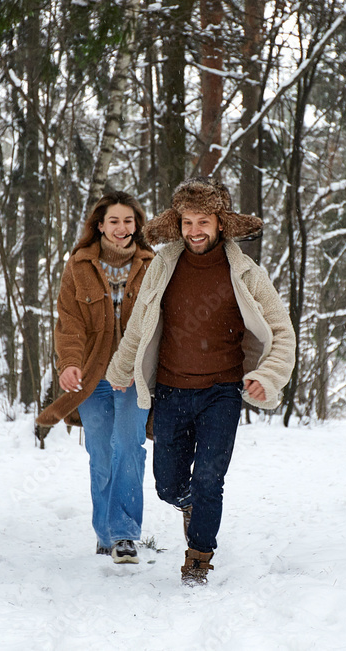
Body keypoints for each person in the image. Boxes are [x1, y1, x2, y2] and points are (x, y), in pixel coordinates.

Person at [106, 177, 296, 585]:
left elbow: (281, 330)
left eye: (204, 221)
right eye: (188, 222)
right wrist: (121, 372)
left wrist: (266, 376)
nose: (195, 231)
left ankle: (199, 558)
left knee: (211, 478)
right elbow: (140, 324)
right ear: (178, 224)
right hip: (172, 391)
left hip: (222, 393)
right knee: (168, 485)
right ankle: (189, 504)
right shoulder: (164, 264)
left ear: (221, 223)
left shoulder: (246, 272)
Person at [35, 191, 154, 564]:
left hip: (134, 375)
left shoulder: (152, 265)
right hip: (92, 379)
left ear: (137, 226)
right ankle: (105, 533)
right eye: (114, 221)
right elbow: (68, 323)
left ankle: (124, 535)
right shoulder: (79, 266)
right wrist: (69, 363)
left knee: (129, 448)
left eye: (128, 221)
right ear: (99, 225)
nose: (122, 228)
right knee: (101, 455)